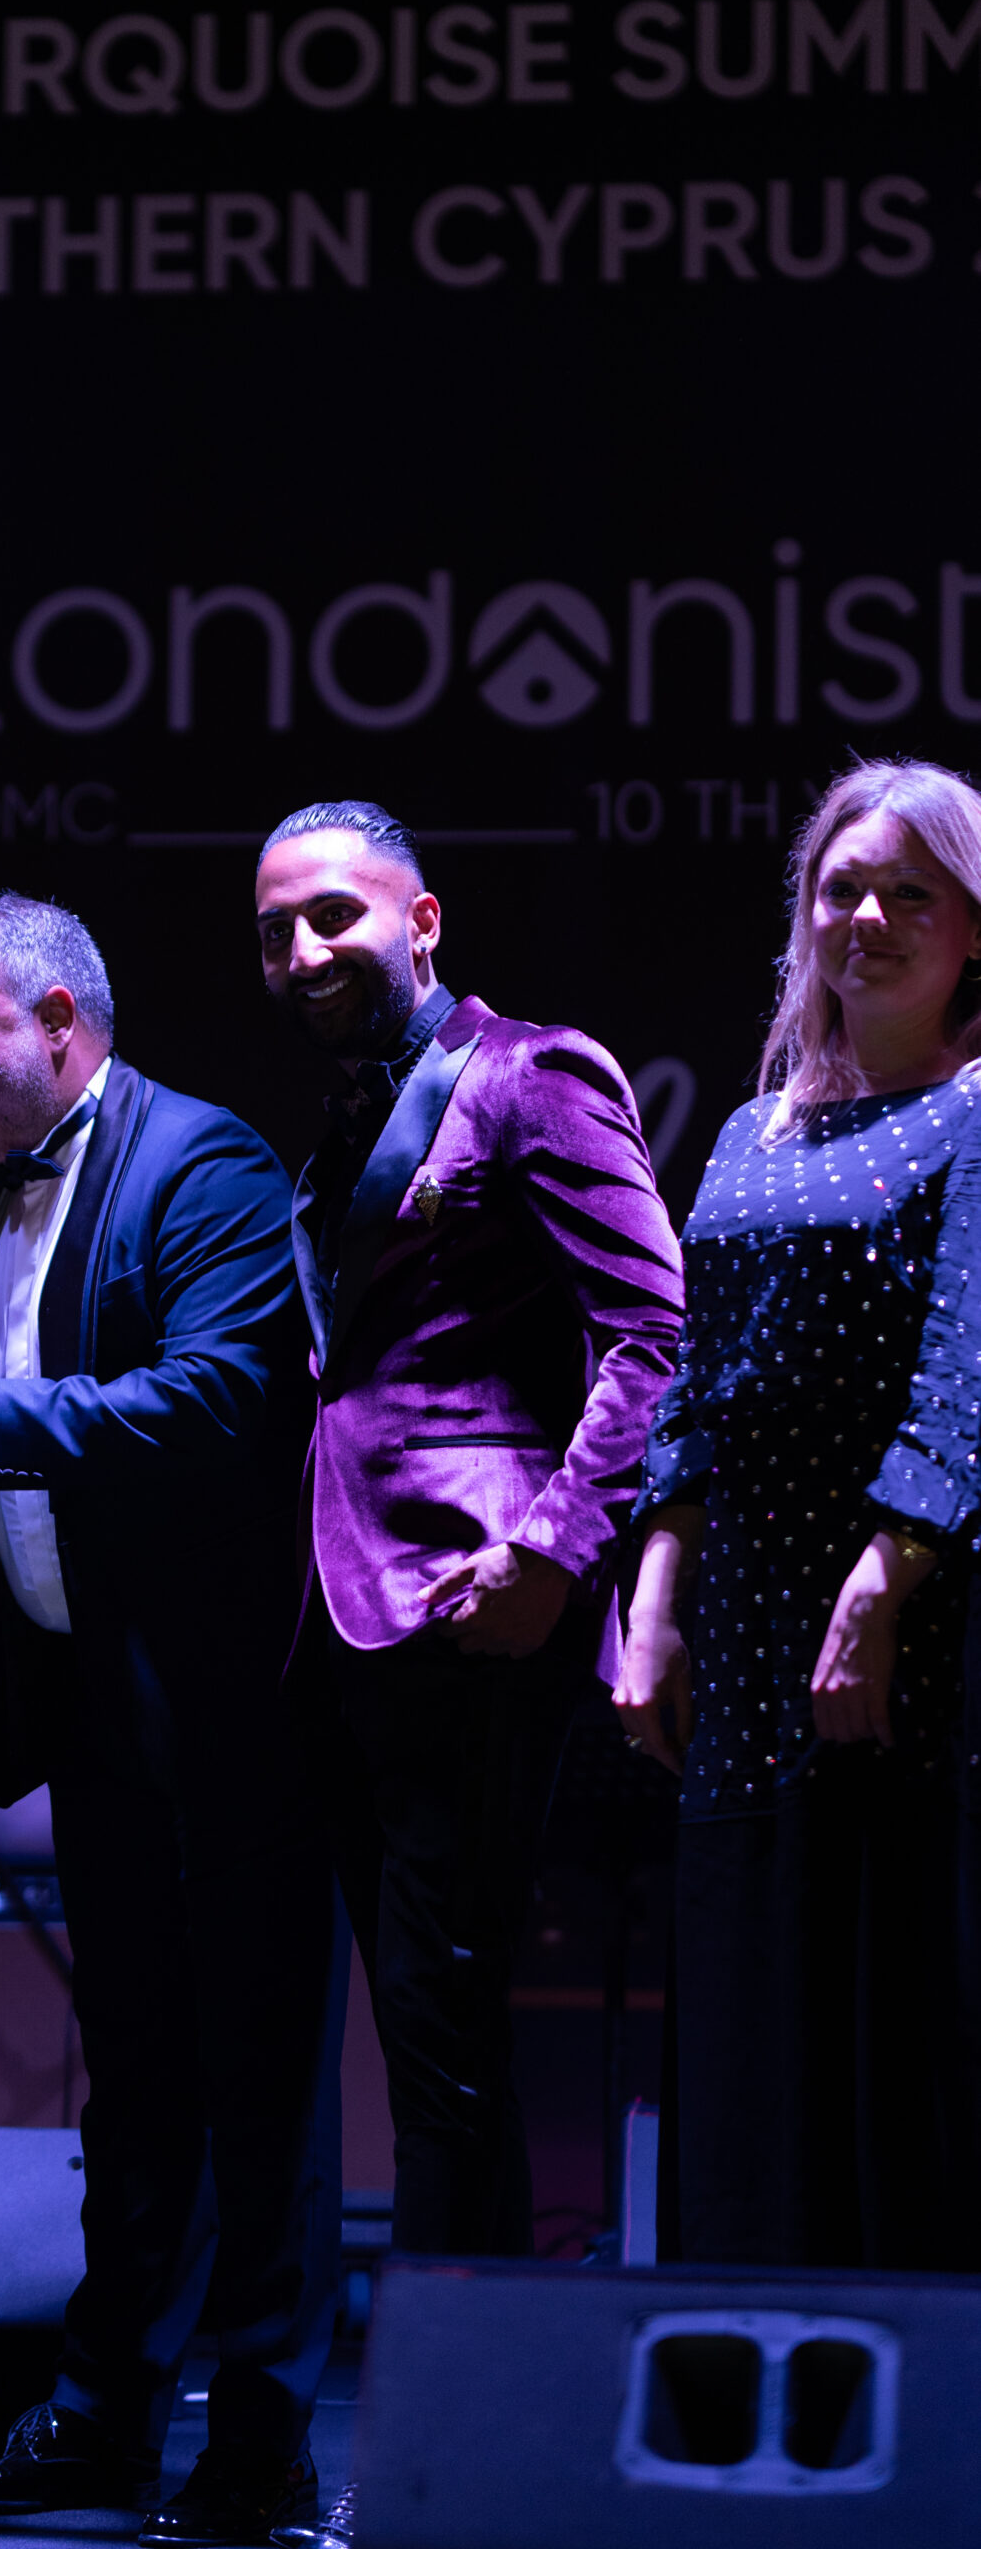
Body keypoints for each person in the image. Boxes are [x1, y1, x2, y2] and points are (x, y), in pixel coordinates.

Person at [0, 893, 335, 2548]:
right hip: (81, 1704)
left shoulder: (203, 1165)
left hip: (225, 1704)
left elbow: (221, 1397)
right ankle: (108, 2408)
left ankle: (261, 2437)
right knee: (130, 2078)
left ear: (60, 1022)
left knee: (257, 2082)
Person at [256, 800, 682, 2245]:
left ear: (421, 921)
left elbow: (652, 1335)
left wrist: (557, 1550)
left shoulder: (529, 1072)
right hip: (347, 1620)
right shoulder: (350, 1117)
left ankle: (436, 2380)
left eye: (334, 916)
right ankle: (474, 2367)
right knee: (428, 2038)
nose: (302, 951)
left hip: (475, 1606)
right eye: (273, 932)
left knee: (441, 2024)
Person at [615, 758, 981, 2269]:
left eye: (911, 893)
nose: (868, 918)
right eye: (843, 889)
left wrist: (885, 1577)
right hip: (749, 1631)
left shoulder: (976, 1111)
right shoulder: (750, 1131)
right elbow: (693, 1386)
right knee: (748, 2023)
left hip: (918, 1629)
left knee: (897, 2016)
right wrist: (651, 1597)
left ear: (973, 928)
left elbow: (966, 1365)